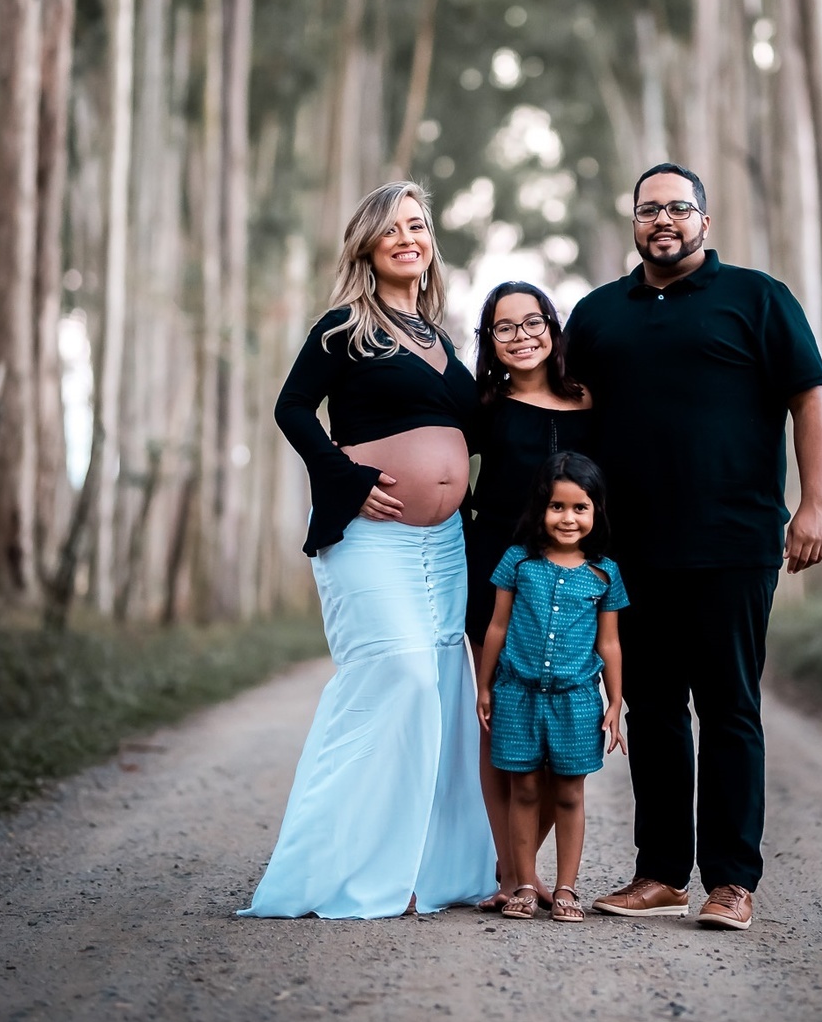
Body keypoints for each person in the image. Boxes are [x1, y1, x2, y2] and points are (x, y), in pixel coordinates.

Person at [566, 163, 822, 932]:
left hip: (734, 542)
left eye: (679, 208)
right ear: (633, 222)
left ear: (704, 223)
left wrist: (814, 503)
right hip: (628, 551)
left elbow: (809, 400)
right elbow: (565, 416)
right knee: (651, 709)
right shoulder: (597, 315)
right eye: (649, 209)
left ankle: (731, 881)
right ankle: (660, 874)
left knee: (728, 708)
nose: (664, 220)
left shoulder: (758, 298)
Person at [239, 180, 494, 921]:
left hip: (445, 545)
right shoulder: (344, 327)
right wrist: (344, 478)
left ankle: (425, 872)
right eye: (392, 229)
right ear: (368, 246)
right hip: (369, 537)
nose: (407, 238)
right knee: (399, 677)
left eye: (417, 226)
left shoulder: (443, 340)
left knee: (441, 692)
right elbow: (292, 408)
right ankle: (337, 870)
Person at [468, 281, 597, 909]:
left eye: (532, 322)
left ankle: (524, 866)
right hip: (495, 571)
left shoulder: (591, 401)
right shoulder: (483, 406)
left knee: (559, 727)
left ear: (552, 325)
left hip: (572, 583)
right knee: (503, 725)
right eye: (504, 327)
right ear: (489, 341)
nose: (521, 336)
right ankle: (512, 875)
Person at [475, 452, 628, 923]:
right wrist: (485, 687)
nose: (568, 518)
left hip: (576, 703)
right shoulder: (518, 562)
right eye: (557, 506)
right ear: (541, 508)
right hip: (517, 695)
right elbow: (497, 627)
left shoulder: (605, 573)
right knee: (523, 789)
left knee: (568, 794)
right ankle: (523, 885)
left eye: (580, 507)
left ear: (596, 510)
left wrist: (615, 701)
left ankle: (565, 889)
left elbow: (609, 643)